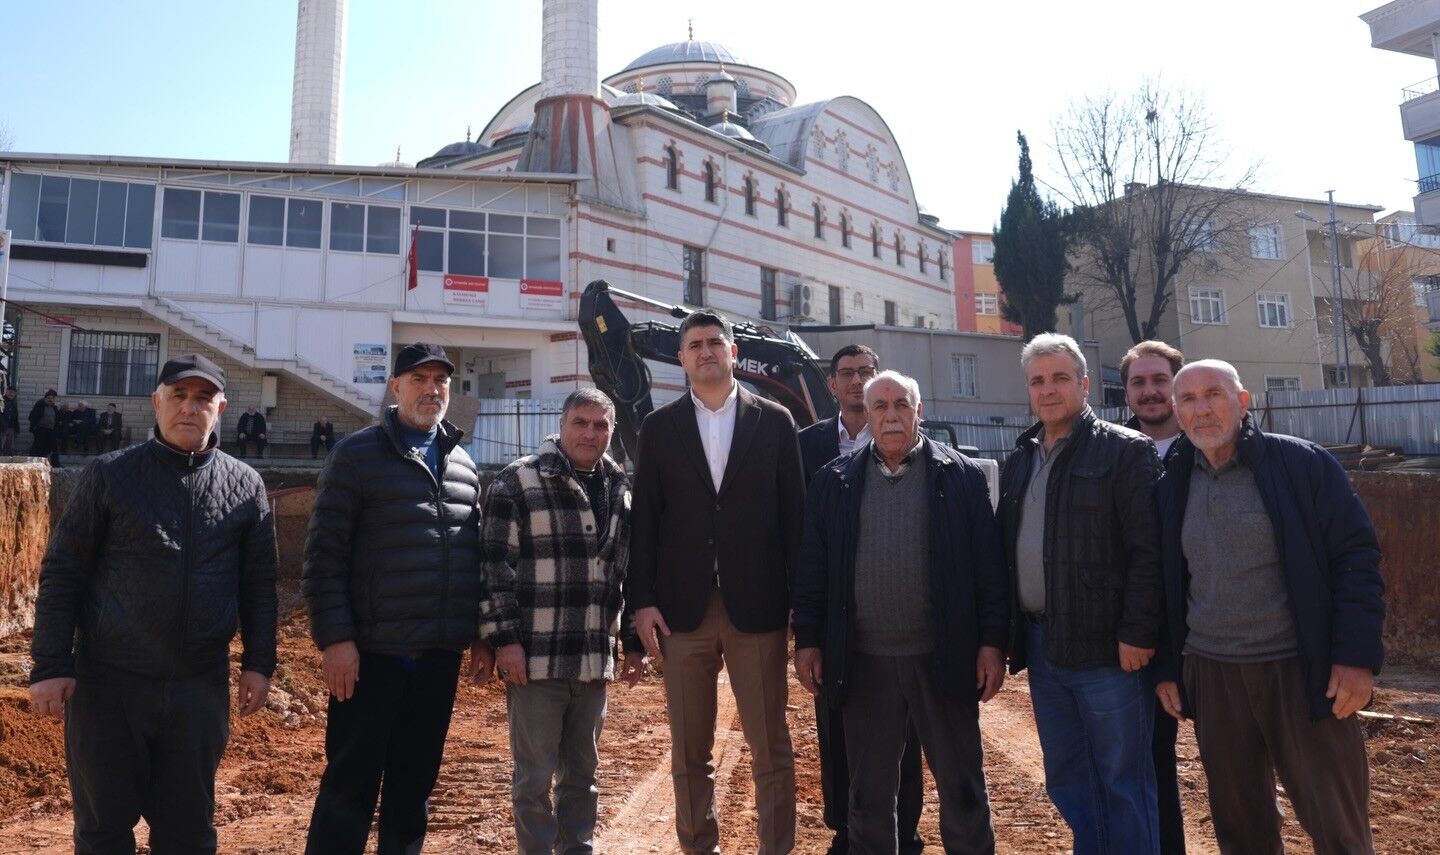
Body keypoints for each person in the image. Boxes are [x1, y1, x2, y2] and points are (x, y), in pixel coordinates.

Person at [28, 353, 277, 853]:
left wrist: (259, 663)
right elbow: (63, 572)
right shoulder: (109, 475)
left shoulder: (246, 487)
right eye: (178, 395)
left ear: (221, 408)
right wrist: (51, 664)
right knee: (103, 832)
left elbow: (259, 586)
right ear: (156, 402)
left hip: (197, 687)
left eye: (203, 398)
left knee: (188, 833)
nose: (189, 407)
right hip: (109, 686)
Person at [1156, 360, 1385, 855]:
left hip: (1303, 672)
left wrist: (1356, 657)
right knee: (1242, 829)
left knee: (1338, 825)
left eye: (1214, 394)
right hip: (1213, 673)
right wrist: (1169, 668)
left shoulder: (1301, 464)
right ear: (1176, 411)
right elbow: (1165, 582)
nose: (1201, 409)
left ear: (1243, 402)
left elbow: (1355, 559)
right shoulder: (1172, 479)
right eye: (1188, 399)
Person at [794, 370, 1008, 854]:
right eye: (880, 406)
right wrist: (808, 640)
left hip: (943, 658)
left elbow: (989, 569)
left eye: (901, 405)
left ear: (919, 412)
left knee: (962, 788)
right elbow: (813, 571)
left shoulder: (961, 477)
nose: (891, 415)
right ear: (866, 416)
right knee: (868, 797)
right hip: (864, 661)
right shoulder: (834, 482)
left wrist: (992, 643)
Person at [628, 309, 805, 855]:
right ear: (681, 359)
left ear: (733, 352)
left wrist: (802, 601)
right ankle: (698, 846)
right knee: (689, 751)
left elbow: (794, 519)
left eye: (714, 342)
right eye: (695, 345)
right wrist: (641, 602)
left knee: (770, 747)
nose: (706, 351)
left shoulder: (775, 421)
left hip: (759, 607)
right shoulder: (659, 428)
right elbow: (645, 521)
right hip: (683, 612)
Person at [302, 342, 486, 854]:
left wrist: (480, 635)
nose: (432, 390)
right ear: (395, 386)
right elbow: (324, 555)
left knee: (413, 789)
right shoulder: (357, 455)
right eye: (419, 379)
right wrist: (336, 640)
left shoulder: (463, 464)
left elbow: (474, 559)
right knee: (350, 786)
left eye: (440, 380)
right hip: (371, 656)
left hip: (437, 657)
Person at [999, 333, 1164, 854]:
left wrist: (1138, 632)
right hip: (1043, 644)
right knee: (1069, 776)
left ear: (1085, 384)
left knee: (1123, 779)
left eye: (1060, 378)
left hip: (1109, 651)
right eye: (1037, 381)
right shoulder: (1021, 457)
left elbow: (1149, 553)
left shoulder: (1125, 451)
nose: (1048, 390)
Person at [477, 388, 641, 855]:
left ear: (611, 431)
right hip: (537, 661)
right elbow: (493, 568)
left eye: (601, 425)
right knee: (533, 779)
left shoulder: (620, 490)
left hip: (592, 661)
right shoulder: (518, 482)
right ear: (562, 425)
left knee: (583, 777)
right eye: (580, 423)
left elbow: (627, 573)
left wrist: (631, 643)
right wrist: (505, 640)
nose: (590, 433)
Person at [797, 345, 925, 855]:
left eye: (865, 372)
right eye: (846, 373)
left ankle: (904, 829)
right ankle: (846, 829)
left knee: (903, 728)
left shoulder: (908, 439)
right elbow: (798, 531)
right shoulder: (805, 445)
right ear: (831, 384)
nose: (856, 380)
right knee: (836, 724)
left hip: (897, 615)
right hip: (834, 612)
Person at [1119, 339, 1187, 855]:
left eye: (1160, 380)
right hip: (1142, 637)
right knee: (1150, 760)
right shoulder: (1116, 454)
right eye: (1138, 382)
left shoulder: (1206, 446)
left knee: (1240, 767)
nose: (1149, 391)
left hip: (1208, 634)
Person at [28, 388, 60, 465]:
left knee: (53, 447)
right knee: (39, 447)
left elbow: (57, 419)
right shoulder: (39, 405)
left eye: (52, 398)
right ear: (45, 398)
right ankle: (35, 463)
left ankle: (55, 464)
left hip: (51, 430)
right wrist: (35, 427)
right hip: (40, 430)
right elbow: (31, 417)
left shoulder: (54, 407)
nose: (50, 400)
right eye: (48, 398)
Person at [1, 386, 19, 455]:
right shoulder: (2, 401)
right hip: (2, 428)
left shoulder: (14, 402)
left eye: (13, 392)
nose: (11, 394)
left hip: (11, 428)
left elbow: (15, 416)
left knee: (8, 448)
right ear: (6, 392)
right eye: (10, 392)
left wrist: (17, 428)